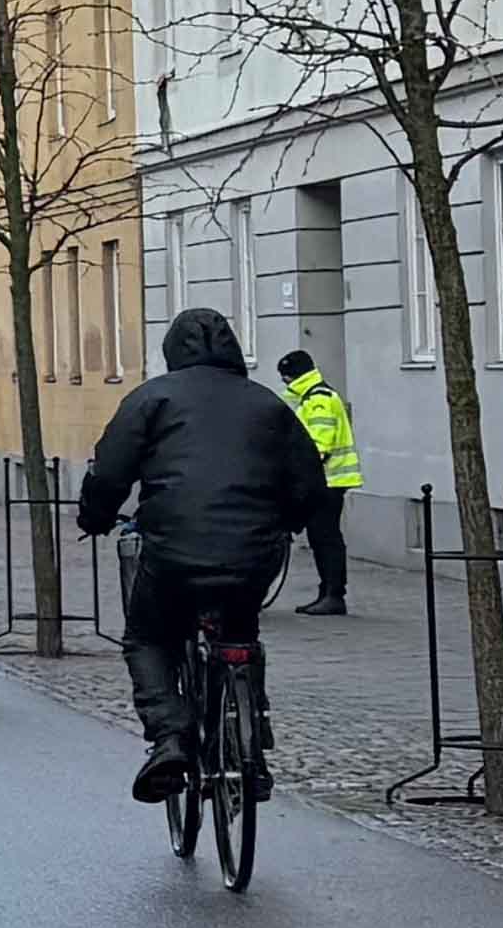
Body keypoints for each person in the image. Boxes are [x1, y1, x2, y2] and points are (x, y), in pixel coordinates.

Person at [76, 309, 331, 803]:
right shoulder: (269, 405)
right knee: (241, 634)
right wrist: (287, 521)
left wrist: (96, 517)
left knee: (147, 637)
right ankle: (252, 745)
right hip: (254, 553)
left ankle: (170, 738)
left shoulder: (152, 399)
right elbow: (310, 485)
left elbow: (110, 471)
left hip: (173, 550)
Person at [275, 348, 362, 613]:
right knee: (321, 537)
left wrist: (294, 476)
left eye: (285, 377)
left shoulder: (318, 400)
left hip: (327, 482)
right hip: (326, 481)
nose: (284, 383)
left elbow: (317, 448)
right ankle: (329, 593)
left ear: (293, 376)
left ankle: (334, 595)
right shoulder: (311, 397)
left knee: (325, 538)